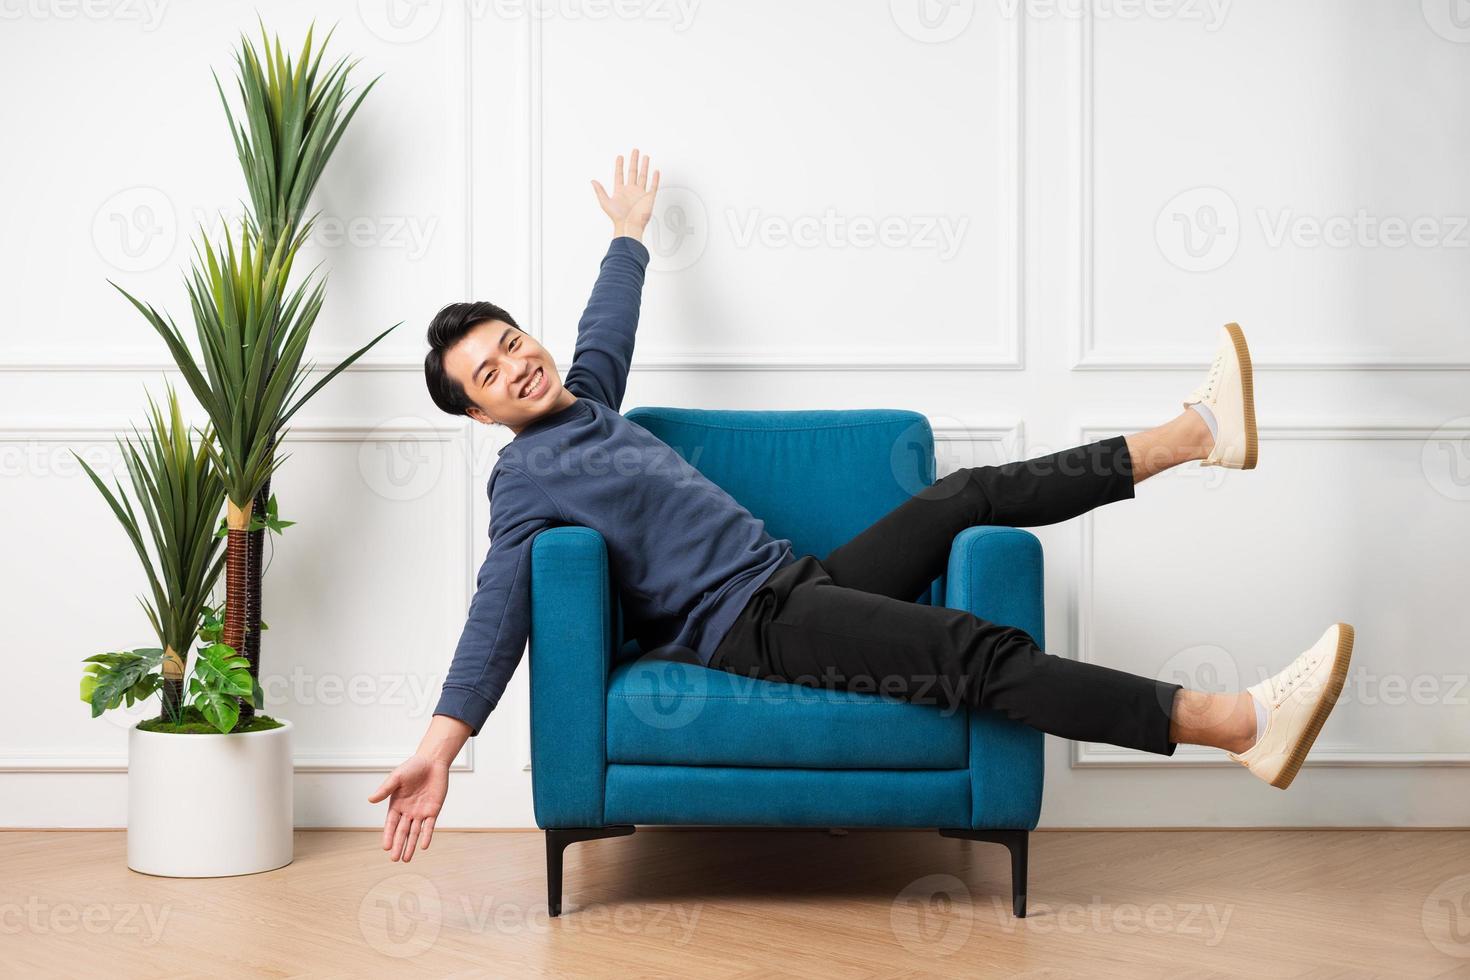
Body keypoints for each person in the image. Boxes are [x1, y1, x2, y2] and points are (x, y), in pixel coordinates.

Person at [369, 148, 1354, 864]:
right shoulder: (528, 477)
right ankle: (1229, 721)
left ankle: (1194, 435)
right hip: (756, 623)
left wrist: (628, 235)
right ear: (480, 411)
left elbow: (605, 323)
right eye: (488, 372)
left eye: (510, 339)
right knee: (974, 651)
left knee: (964, 494)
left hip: (797, 573)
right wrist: (436, 746)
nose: (516, 363)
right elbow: (500, 605)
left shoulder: (585, 395)